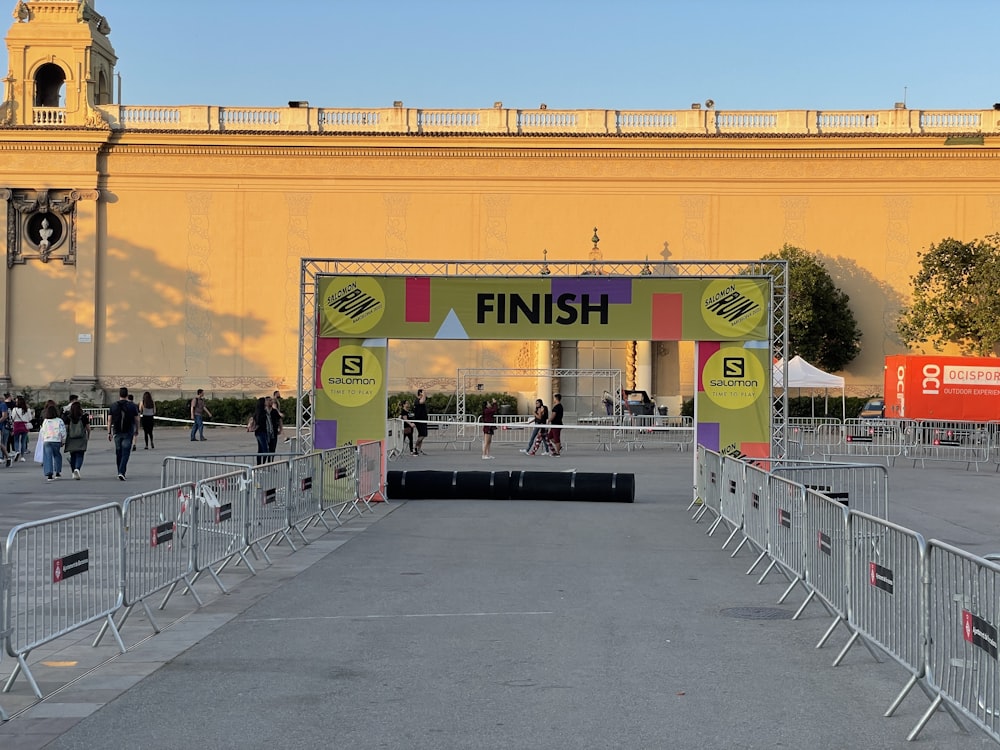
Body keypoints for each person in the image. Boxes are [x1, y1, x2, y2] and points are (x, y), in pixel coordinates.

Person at [108, 386, 139, 480]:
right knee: (125, 453)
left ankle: (119, 471)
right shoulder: (132, 406)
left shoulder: (113, 405)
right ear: (127, 394)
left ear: (119, 395)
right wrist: (137, 430)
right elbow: (137, 419)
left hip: (117, 432)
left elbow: (109, 420)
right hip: (128, 432)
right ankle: (121, 472)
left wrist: (109, 432)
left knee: (118, 452)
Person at [38, 403, 66, 481]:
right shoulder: (59, 420)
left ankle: (49, 474)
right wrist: (63, 440)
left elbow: (42, 431)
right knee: (57, 455)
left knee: (47, 456)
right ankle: (57, 472)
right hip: (56, 440)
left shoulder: (46, 421)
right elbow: (63, 431)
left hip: (47, 440)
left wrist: (43, 439)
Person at [63, 400, 90, 479]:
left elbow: (66, 428)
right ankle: (77, 469)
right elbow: (88, 428)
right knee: (80, 455)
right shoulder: (84, 416)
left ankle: (73, 471)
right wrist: (88, 436)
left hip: (71, 438)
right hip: (81, 438)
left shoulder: (68, 417)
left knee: (73, 455)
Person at [248, 397, 270, 465]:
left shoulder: (261, 411)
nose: (266, 402)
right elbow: (258, 423)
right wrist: (254, 428)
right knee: (265, 449)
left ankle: (259, 464)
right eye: (265, 401)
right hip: (261, 432)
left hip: (261, 432)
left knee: (260, 449)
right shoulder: (261, 413)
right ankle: (262, 464)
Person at [10, 395, 31, 461]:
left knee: (16, 440)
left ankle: (17, 451)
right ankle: (22, 456)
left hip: (17, 425)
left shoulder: (15, 409)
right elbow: (30, 418)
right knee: (23, 441)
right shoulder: (27, 409)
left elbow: (12, 418)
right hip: (24, 425)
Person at [412, 388, 428, 455]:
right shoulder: (417, 401)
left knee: (422, 435)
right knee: (422, 435)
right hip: (419, 420)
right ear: (420, 394)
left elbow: (424, 400)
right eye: (423, 393)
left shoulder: (421, 400)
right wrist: (423, 393)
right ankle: (415, 447)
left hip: (423, 420)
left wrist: (424, 394)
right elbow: (423, 401)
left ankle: (419, 449)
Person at [548, 393, 564, 457]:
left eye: (554, 398)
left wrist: (549, 420)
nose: (553, 399)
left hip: (556, 424)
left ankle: (558, 452)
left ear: (556, 399)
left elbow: (553, 415)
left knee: (556, 438)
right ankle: (559, 447)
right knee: (550, 437)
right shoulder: (560, 406)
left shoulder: (557, 407)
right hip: (554, 424)